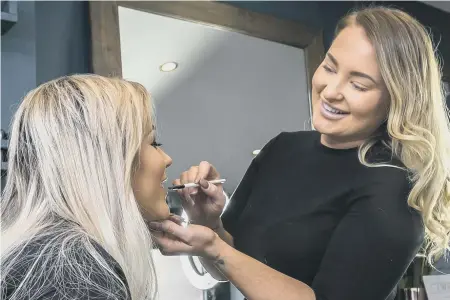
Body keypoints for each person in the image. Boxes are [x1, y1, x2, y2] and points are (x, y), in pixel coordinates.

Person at [149, 6, 450, 300]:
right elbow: (228, 269)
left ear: (395, 100)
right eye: (330, 67)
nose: (331, 90)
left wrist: (216, 247)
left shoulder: (392, 193)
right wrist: (208, 223)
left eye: (358, 84)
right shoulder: (282, 149)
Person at [1, 75, 174, 299]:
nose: (166, 159)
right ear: (109, 158)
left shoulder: (43, 259)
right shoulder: (75, 275)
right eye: (153, 143)